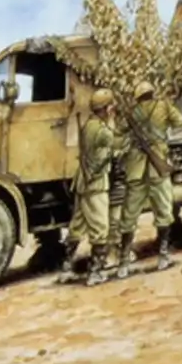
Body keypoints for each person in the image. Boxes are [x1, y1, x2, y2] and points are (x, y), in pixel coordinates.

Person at [117, 81, 182, 276]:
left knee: (129, 215)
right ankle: (163, 255)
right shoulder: (163, 106)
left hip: (136, 169)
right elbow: (180, 121)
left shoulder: (132, 112)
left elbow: (119, 130)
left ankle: (123, 262)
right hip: (158, 167)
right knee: (164, 211)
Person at [58, 87, 125, 286]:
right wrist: (113, 121)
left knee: (77, 227)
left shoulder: (89, 125)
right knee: (100, 228)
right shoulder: (103, 130)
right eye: (111, 107)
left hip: (83, 183)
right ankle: (95, 272)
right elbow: (116, 143)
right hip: (96, 184)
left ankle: (66, 268)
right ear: (107, 108)